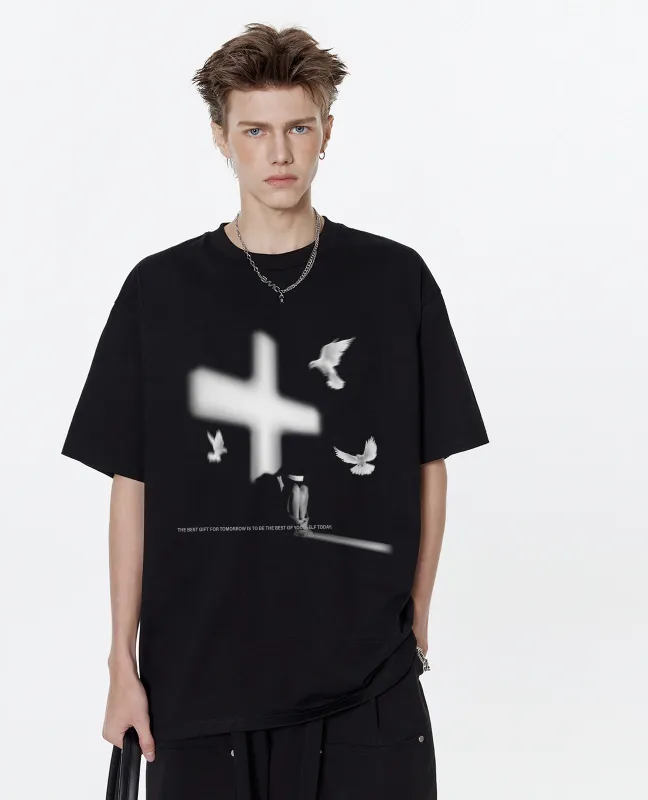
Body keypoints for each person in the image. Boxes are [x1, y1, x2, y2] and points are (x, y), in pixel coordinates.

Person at [61, 22, 489, 800]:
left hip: (366, 682)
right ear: (221, 138)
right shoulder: (160, 291)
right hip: (197, 684)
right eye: (255, 130)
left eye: (298, 127)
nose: (279, 152)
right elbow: (132, 483)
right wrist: (121, 661)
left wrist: (418, 615)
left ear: (328, 131)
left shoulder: (395, 281)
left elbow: (431, 460)